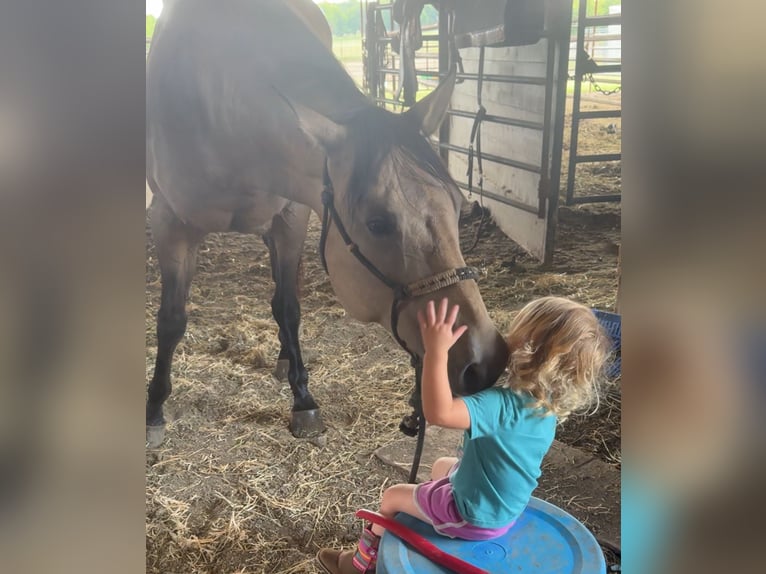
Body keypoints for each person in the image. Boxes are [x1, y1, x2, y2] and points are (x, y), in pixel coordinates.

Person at [317, 296, 611, 574]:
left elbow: (440, 413)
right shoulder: (546, 405)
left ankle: (360, 564)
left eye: (516, 331)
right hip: (506, 506)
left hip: (473, 516)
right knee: (441, 465)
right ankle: (431, 515)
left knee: (393, 496)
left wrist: (436, 351)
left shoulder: (502, 405)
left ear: (529, 347)